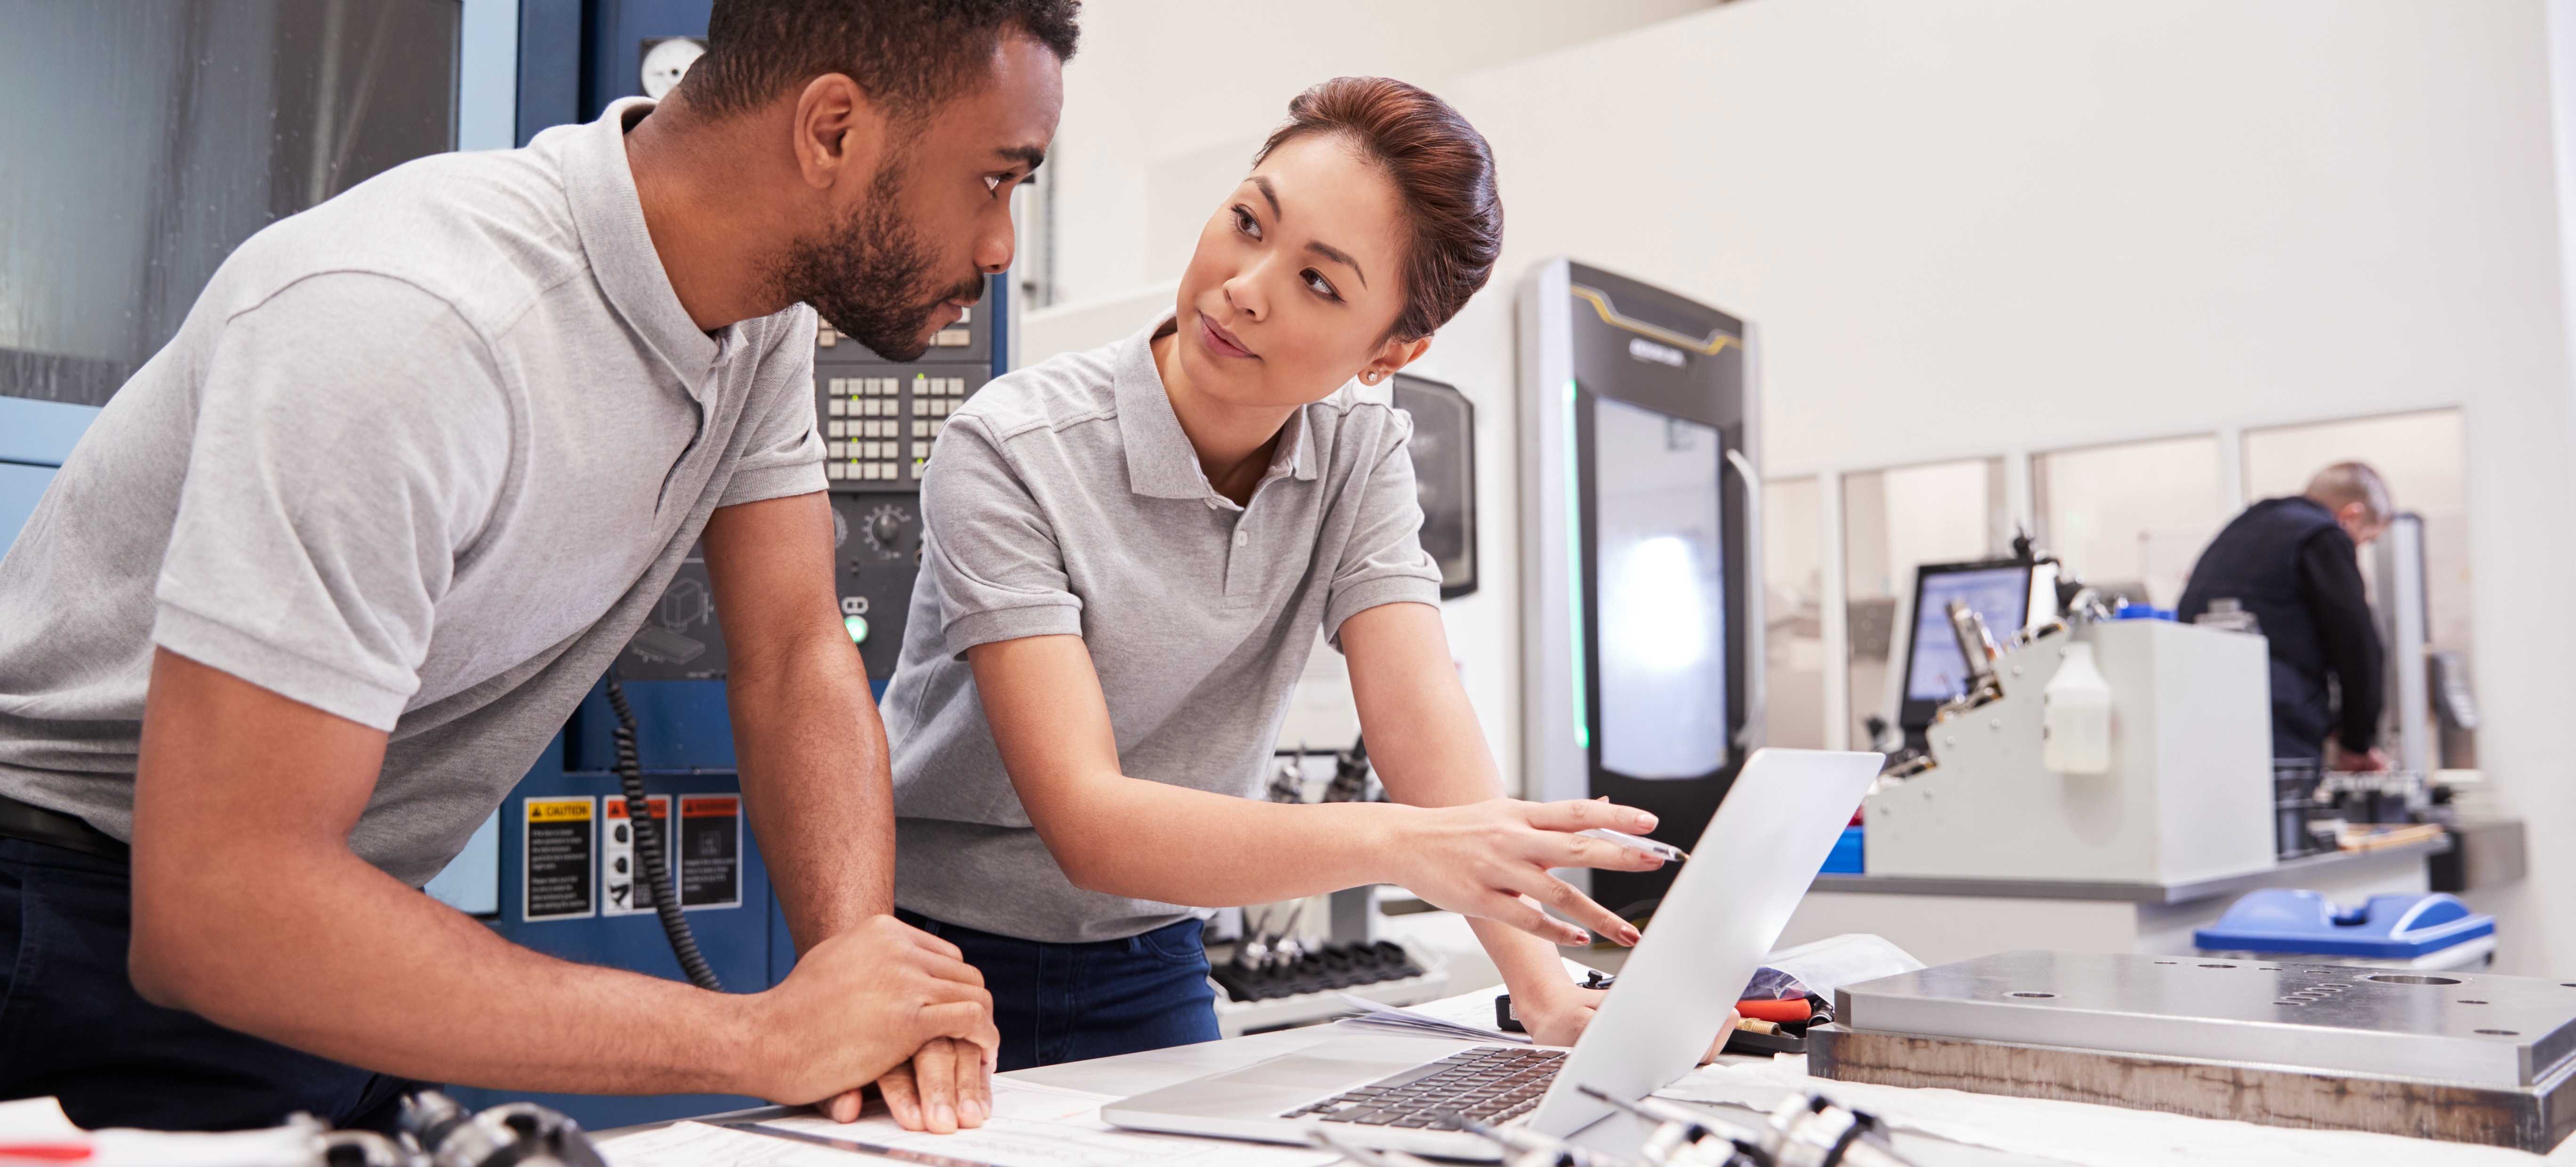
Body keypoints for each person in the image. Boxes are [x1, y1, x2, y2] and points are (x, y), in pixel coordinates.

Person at [0, 0, 1079, 1135]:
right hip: (68, 927)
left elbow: (795, 652)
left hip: (319, 922)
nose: (1003, 246)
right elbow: (217, 913)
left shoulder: (751, 319)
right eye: (994, 179)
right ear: (829, 132)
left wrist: (863, 992)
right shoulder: (413, 328)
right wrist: (770, 1034)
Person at [881, 77, 1673, 1071]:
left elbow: (1418, 711)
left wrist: (1544, 989)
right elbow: (1087, 820)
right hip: (940, 953)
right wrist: (1399, 841)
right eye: (1249, 221)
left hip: (1153, 951)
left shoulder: (1360, 449)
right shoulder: (1011, 447)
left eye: (1320, 282)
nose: (1245, 285)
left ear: (1392, 351)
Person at [2178, 462, 2391, 768]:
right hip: (2279, 723)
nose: (2356, 547)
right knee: (2283, 811)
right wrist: (2357, 743)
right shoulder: (2323, 536)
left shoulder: (2244, 526)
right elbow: (2357, 646)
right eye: (2365, 538)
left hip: (2201, 712)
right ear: (2351, 515)